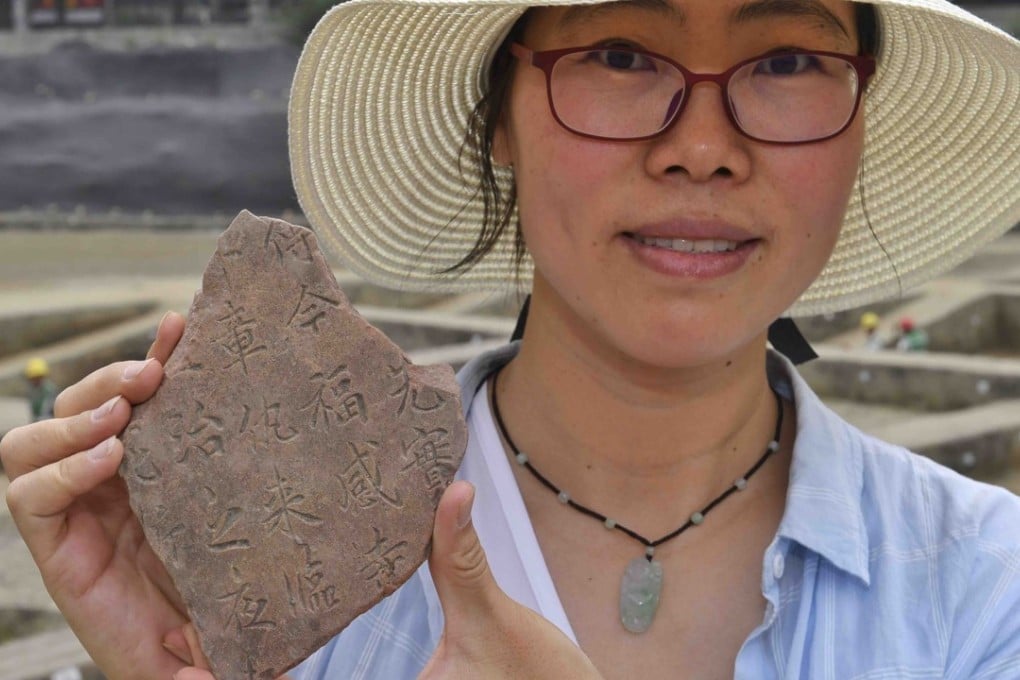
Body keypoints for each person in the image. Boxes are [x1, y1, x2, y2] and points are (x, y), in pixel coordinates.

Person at [2, 0, 1019, 678]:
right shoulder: (281, 583)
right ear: (499, 111)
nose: (703, 148)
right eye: (620, 54)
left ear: (861, 107)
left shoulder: (985, 590)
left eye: (788, 60)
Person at [23, 357, 57, 422]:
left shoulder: (49, 390)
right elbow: (33, 411)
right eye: (33, 378)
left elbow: (46, 409)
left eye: (38, 378)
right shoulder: (32, 390)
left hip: (50, 419)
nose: (35, 381)